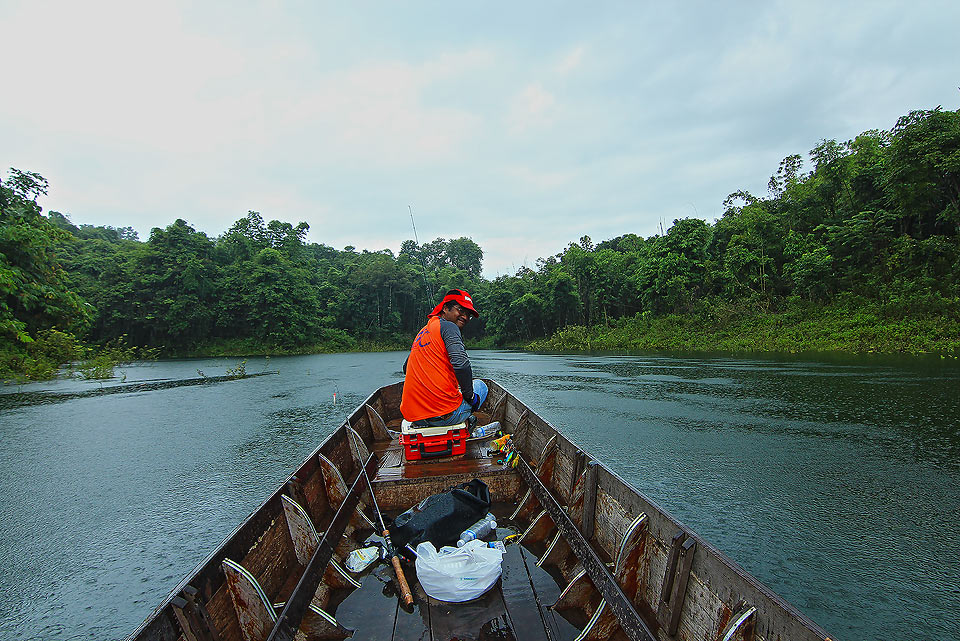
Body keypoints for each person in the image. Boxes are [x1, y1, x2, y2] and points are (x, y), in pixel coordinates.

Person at [400, 289, 487, 427]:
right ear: (445, 308)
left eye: (468, 314)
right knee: (481, 386)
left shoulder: (423, 332)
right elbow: (461, 365)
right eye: (461, 310)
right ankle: (463, 417)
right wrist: (470, 397)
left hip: (414, 416)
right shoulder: (450, 327)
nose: (465, 317)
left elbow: (406, 368)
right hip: (445, 416)